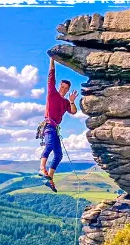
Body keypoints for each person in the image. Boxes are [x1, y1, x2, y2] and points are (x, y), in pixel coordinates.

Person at [39, 56, 78, 192]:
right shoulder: (52, 93)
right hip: (48, 125)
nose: (63, 89)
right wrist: (52, 60)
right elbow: (51, 76)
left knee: (59, 155)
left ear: (67, 90)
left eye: (66, 88)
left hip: (55, 129)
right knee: (49, 145)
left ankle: (49, 178)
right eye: (62, 87)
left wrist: (72, 101)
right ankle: (41, 168)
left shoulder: (66, 102)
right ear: (59, 86)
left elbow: (73, 112)